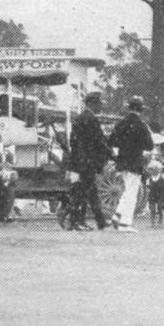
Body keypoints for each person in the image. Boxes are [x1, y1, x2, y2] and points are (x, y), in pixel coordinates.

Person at [106, 95, 153, 233]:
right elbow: (149, 146)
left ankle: (120, 218)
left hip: (122, 161)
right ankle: (123, 220)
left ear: (129, 108)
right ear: (141, 110)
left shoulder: (121, 124)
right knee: (131, 192)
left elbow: (111, 141)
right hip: (135, 161)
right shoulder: (142, 125)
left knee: (128, 189)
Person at [66, 91, 110, 231]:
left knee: (88, 191)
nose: (101, 107)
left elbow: (73, 141)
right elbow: (98, 141)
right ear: (91, 104)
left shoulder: (79, 118)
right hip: (86, 163)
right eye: (99, 104)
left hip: (77, 162)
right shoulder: (91, 119)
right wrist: (110, 153)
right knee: (82, 192)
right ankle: (76, 221)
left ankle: (99, 221)